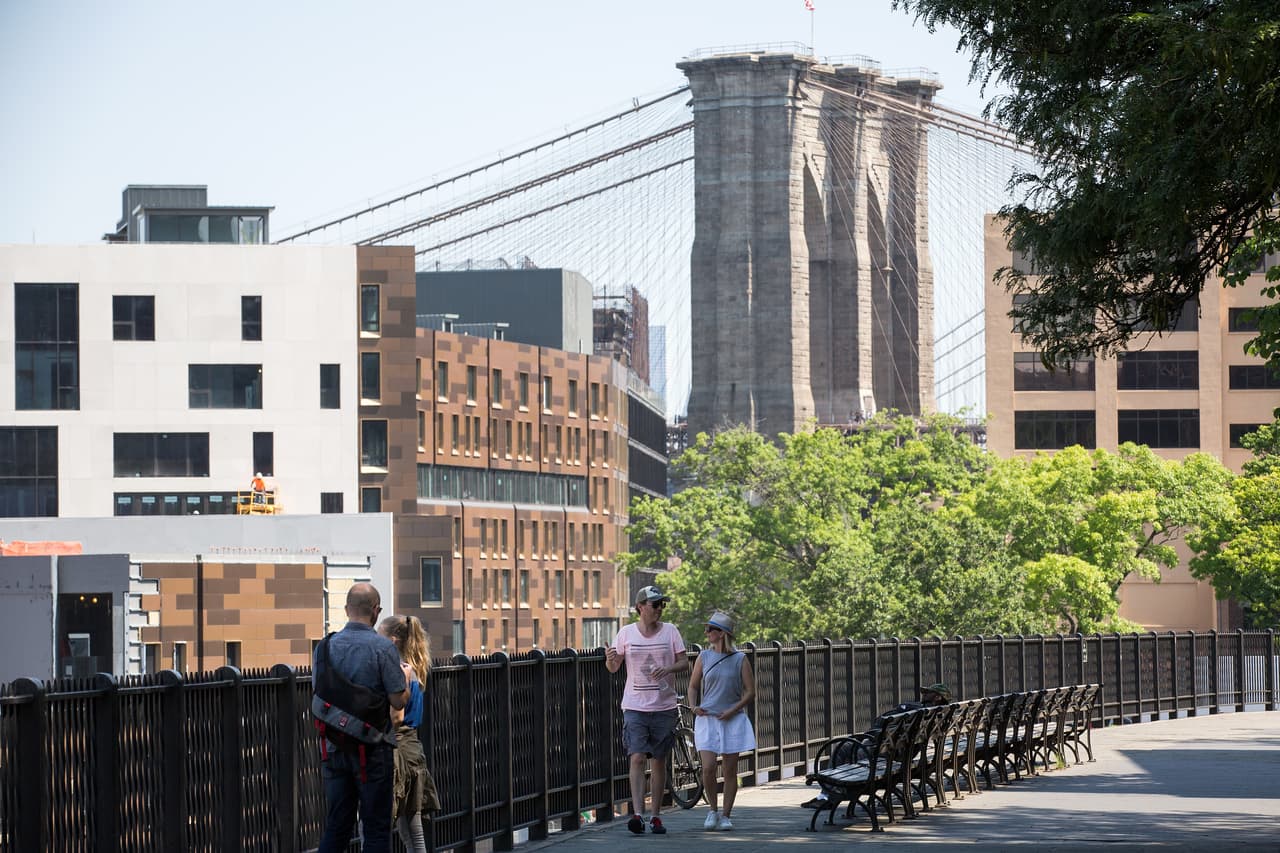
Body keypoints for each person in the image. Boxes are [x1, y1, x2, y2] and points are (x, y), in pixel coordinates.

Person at [315, 583, 409, 853]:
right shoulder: (383, 648)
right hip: (373, 748)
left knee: (337, 826)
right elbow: (398, 701)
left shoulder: (324, 647)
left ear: (347, 609)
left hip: (333, 746)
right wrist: (405, 679)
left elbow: (319, 693)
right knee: (376, 827)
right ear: (376, 611)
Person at [604, 584, 689, 835]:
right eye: (655, 605)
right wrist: (610, 659)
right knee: (638, 757)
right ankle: (638, 814)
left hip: (664, 706)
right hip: (635, 706)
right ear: (640, 607)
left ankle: (656, 816)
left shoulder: (670, 631)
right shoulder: (626, 633)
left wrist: (668, 668)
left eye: (662, 604)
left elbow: (684, 662)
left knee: (660, 761)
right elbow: (614, 667)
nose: (660, 609)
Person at [801, 682, 953, 809]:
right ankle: (832, 793)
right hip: (901, 754)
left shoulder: (916, 710)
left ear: (938, 697)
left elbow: (880, 720)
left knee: (844, 748)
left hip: (887, 754)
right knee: (850, 747)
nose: (924, 694)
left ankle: (828, 796)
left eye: (927, 693)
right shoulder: (936, 714)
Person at [378, 614, 442, 853]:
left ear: (392, 640)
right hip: (413, 749)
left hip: (397, 749)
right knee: (412, 827)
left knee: (377, 821)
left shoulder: (398, 671)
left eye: (379, 636)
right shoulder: (414, 669)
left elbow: (397, 717)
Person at [687, 610, 756, 832]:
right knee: (708, 767)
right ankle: (712, 810)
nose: (706, 632)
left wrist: (732, 710)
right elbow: (693, 685)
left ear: (722, 633)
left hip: (732, 719)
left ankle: (726, 815)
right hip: (707, 718)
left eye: (710, 629)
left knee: (729, 769)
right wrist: (693, 706)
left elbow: (750, 691)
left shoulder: (740, 659)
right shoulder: (704, 657)